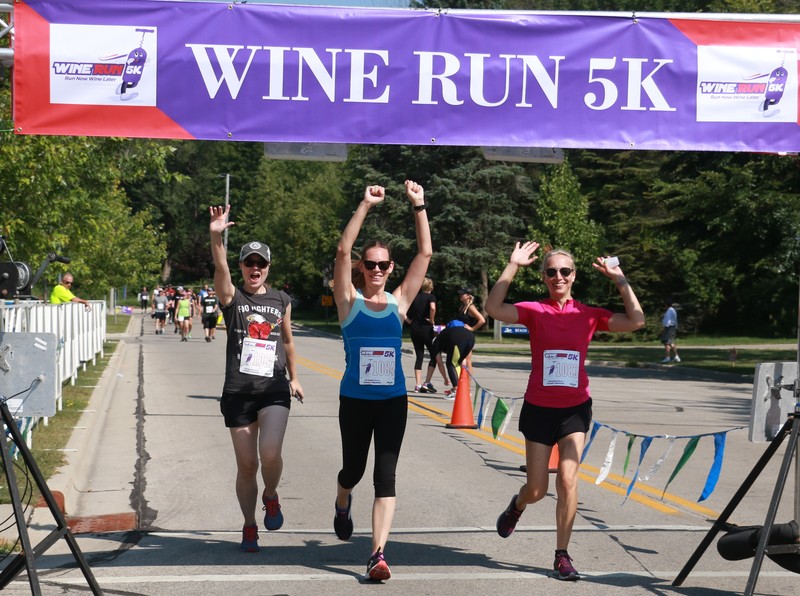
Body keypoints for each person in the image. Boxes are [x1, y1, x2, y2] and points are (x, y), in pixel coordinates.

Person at [485, 242, 644, 581]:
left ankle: (562, 555)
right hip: (539, 408)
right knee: (537, 489)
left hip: (574, 410)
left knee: (569, 481)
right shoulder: (534, 311)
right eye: (552, 272)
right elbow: (493, 307)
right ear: (543, 277)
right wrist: (512, 266)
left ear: (574, 277)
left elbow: (637, 321)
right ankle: (518, 505)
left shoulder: (587, 315)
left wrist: (619, 279)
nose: (559, 277)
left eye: (565, 271)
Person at [332, 181, 431, 582]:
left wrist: (419, 206)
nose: (376, 269)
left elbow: (424, 252)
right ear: (362, 268)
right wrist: (365, 206)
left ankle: (376, 555)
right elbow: (341, 251)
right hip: (355, 400)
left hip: (393, 401)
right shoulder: (348, 301)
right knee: (353, 471)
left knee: (385, 476)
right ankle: (342, 500)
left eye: (382, 265)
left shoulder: (400, 301)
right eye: (369, 264)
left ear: (391, 269)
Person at [209, 205, 304, 554]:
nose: (255, 269)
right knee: (247, 465)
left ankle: (271, 495)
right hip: (238, 392)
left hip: (274, 389)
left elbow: (289, 341)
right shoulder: (233, 299)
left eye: (260, 264)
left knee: (270, 453)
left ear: (268, 268)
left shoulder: (281, 300)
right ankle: (249, 525)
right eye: (249, 262)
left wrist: (295, 378)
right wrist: (216, 235)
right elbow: (220, 268)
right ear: (242, 267)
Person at [405, 277, 448, 393]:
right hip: (426, 329)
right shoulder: (431, 297)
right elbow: (432, 308)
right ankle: (427, 382)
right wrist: (432, 320)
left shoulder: (415, 297)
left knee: (419, 356)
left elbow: (403, 309)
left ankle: (417, 384)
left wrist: (409, 321)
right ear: (431, 287)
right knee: (434, 354)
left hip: (414, 329)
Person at [429, 320, 475, 400]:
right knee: (458, 363)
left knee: (450, 364)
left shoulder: (436, 343)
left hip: (457, 339)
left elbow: (440, 363)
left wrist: (445, 378)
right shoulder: (447, 334)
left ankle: (456, 389)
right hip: (471, 337)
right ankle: (465, 389)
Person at [455, 287, 485, 369]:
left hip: (467, 337)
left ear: (468, 296)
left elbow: (482, 320)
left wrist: (472, 328)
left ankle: (467, 381)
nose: (460, 295)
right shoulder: (462, 307)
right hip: (460, 336)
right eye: (460, 293)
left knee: (468, 361)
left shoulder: (471, 308)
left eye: (462, 294)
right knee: (460, 359)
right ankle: (461, 380)